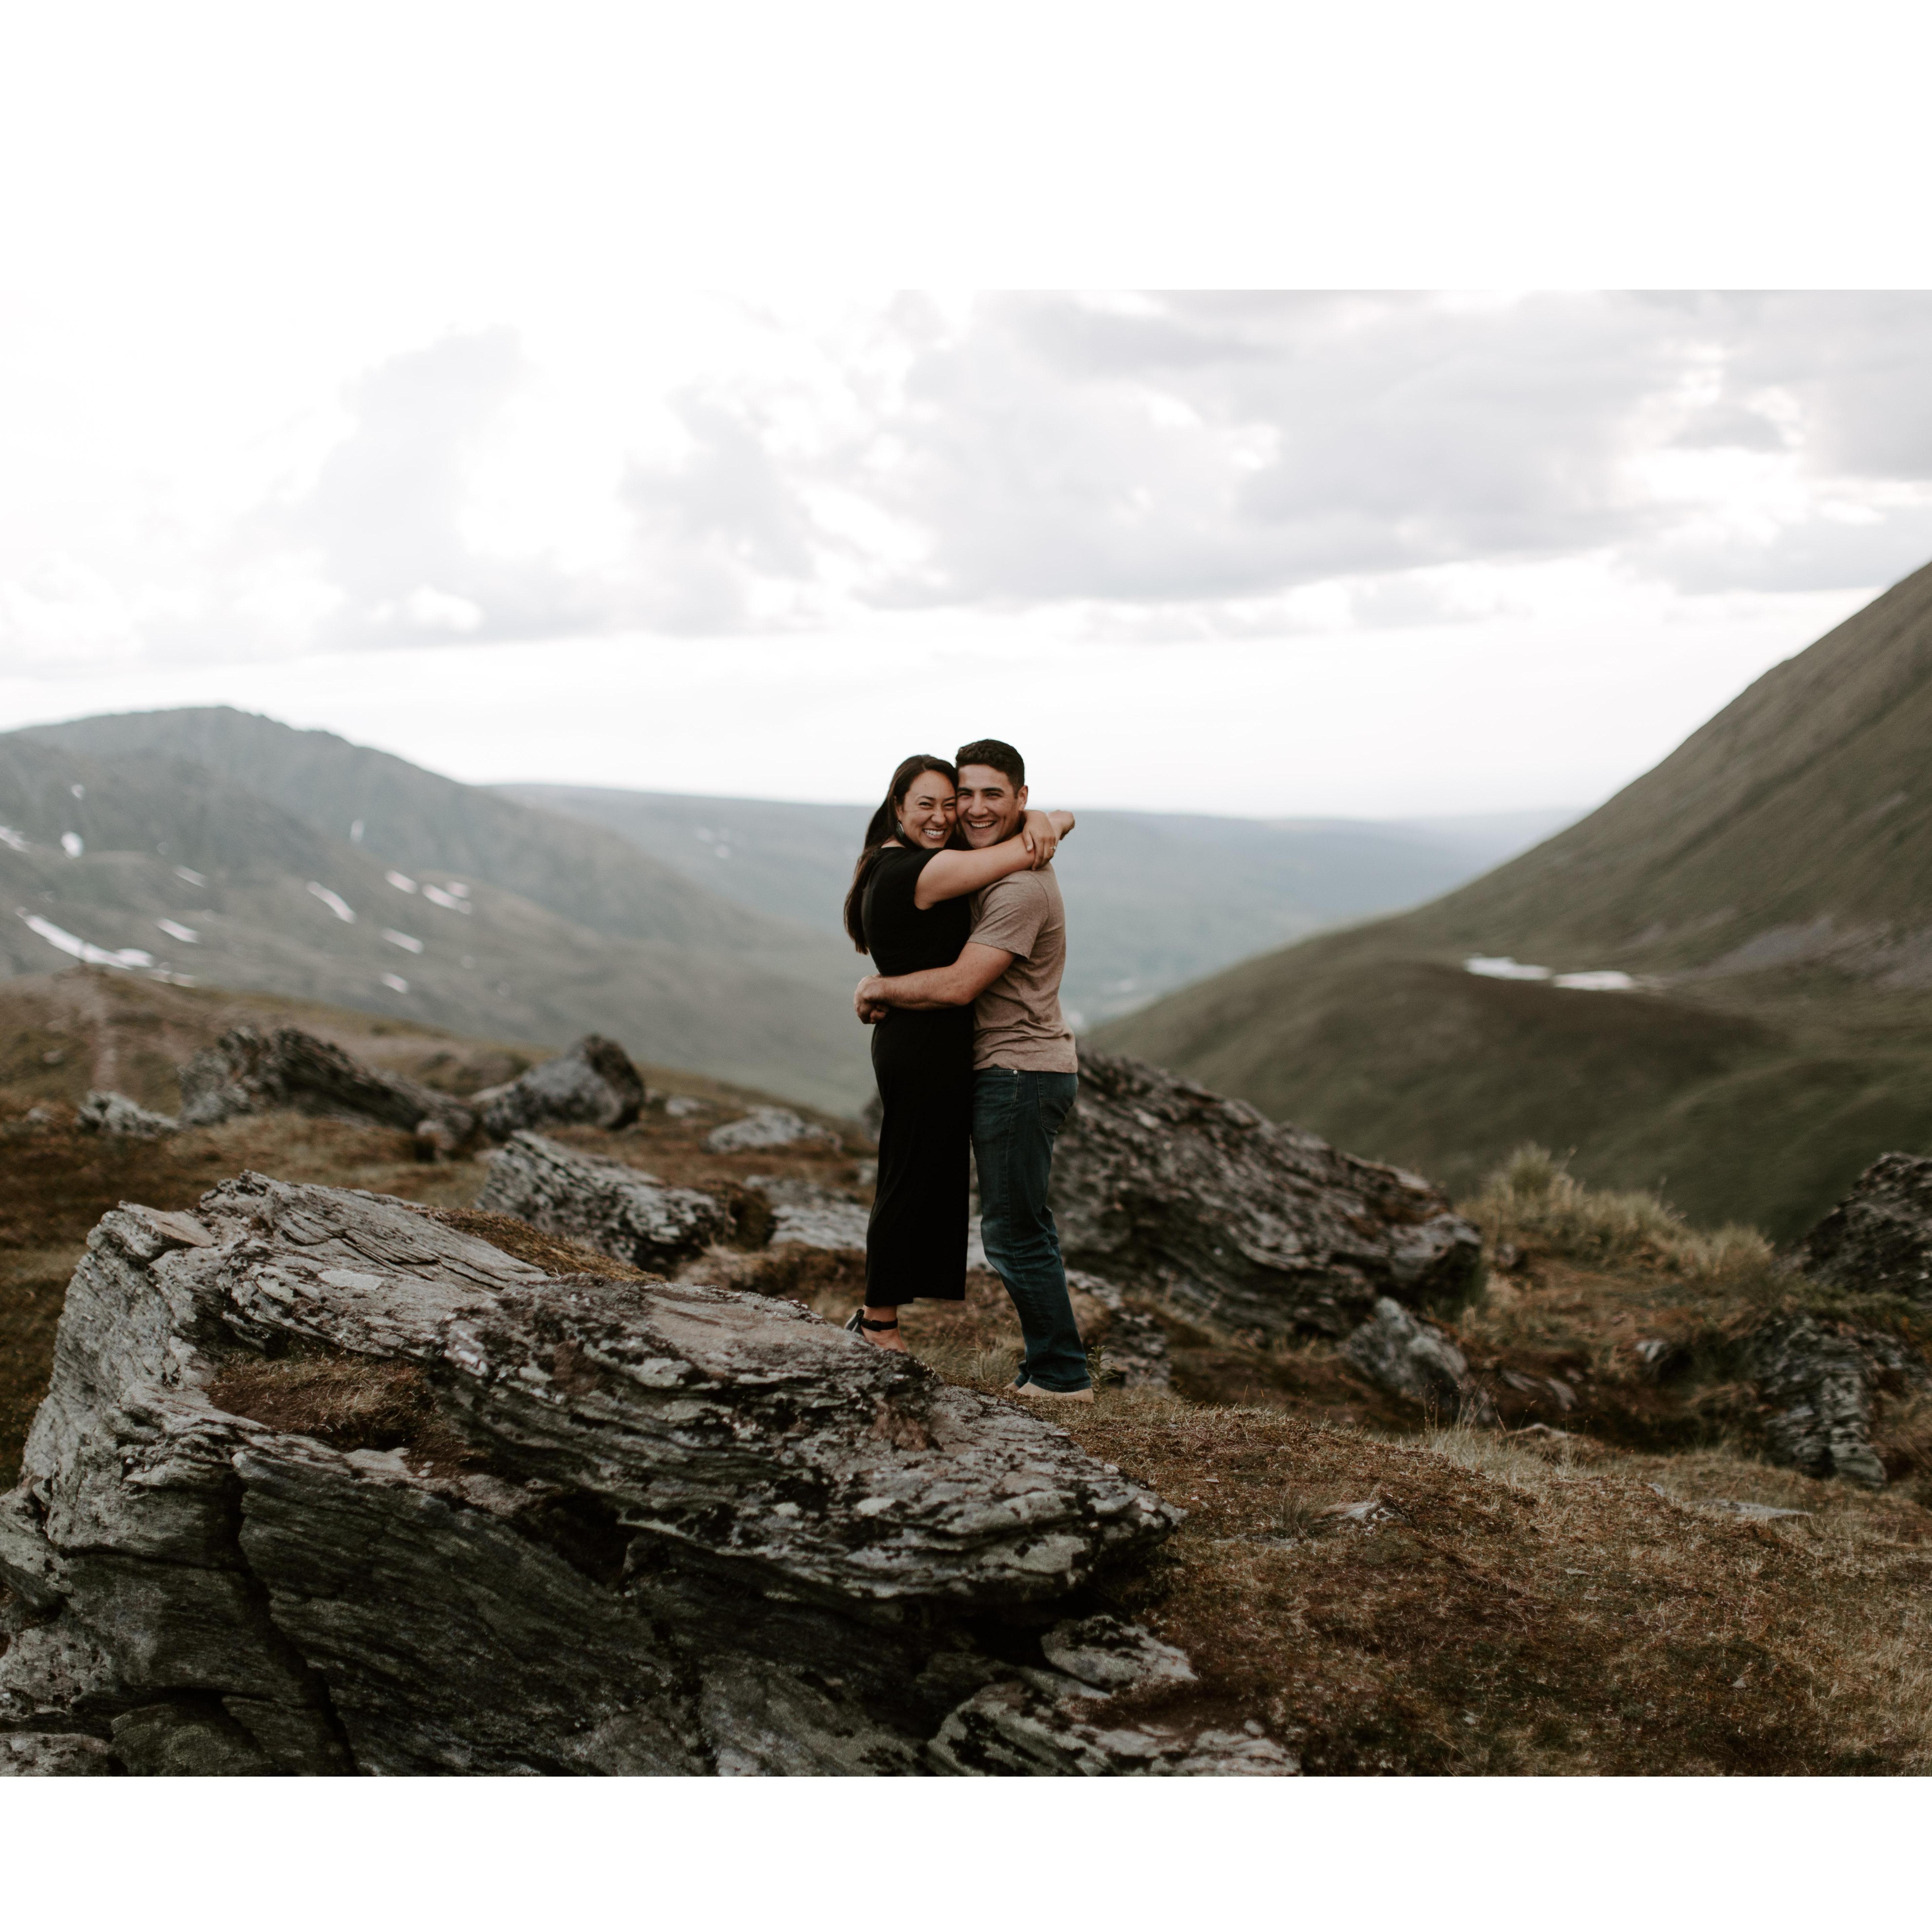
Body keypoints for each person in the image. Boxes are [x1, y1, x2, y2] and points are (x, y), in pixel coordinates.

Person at [854, 740, 1090, 1403]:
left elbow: (961, 986)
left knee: (1014, 1230)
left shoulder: (1015, 884)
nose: (966, 810)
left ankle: (1060, 1375)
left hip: (1019, 1069)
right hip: (1000, 1065)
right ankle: (1044, 1364)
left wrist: (879, 989)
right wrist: (1049, 820)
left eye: (992, 795)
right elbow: (1030, 833)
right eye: (963, 796)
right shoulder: (948, 866)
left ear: (1018, 797)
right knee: (1000, 1219)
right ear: (898, 808)